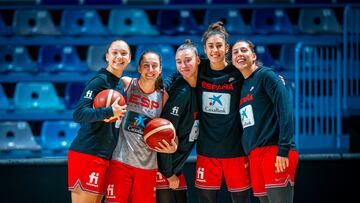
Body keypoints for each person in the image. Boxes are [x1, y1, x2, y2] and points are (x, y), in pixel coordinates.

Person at [104, 51, 178, 203]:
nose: (150, 70)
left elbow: (169, 129)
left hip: (148, 167)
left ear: (160, 69)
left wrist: (173, 147)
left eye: (154, 66)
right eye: (146, 66)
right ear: (139, 68)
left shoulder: (163, 96)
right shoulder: (126, 84)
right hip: (120, 162)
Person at [232, 40, 299, 203]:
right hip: (255, 155)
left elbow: (285, 111)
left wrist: (283, 149)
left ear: (253, 56)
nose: (239, 54)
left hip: (275, 151)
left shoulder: (266, 75)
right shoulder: (243, 85)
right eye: (235, 52)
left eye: (243, 50)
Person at [68, 39, 130, 203]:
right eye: (115, 53)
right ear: (107, 56)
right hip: (88, 153)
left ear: (129, 58)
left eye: (123, 53)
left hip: (104, 156)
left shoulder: (119, 85)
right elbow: (79, 114)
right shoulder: (100, 81)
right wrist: (109, 111)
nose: (119, 56)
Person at [195, 21, 251, 203]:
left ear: (227, 48)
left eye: (219, 46)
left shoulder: (237, 70)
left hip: (235, 150)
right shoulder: (199, 68)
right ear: (204, 48)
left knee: (241, 200)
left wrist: (275, 76)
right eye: (210, 46)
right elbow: (179, 73)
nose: (215, 50)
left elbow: (257, 72)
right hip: (206, 150)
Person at [156, 39, 200, 203]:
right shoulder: (181, 93)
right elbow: (164, 136)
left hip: (177, 168)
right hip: (164, 169)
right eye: (178, 62)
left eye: (187, 60)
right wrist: (168, 174)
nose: (183, 65)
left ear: (198, 60)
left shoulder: (202, 86)